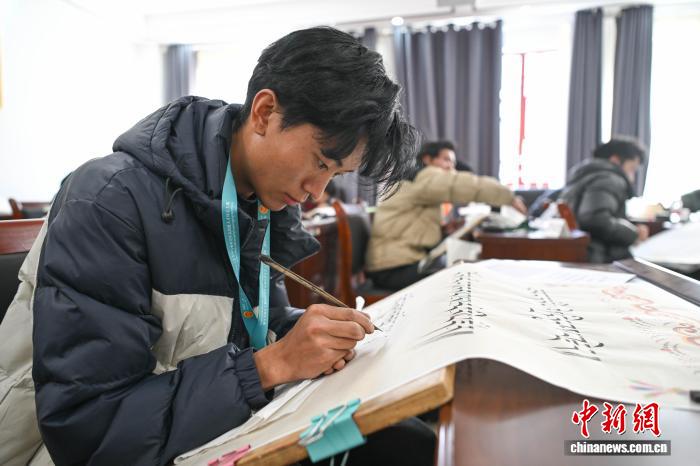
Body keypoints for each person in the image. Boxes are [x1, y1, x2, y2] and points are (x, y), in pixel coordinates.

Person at [0, 27, 436, 466]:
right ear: (264, 113)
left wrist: (315, 335)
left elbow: (253, 325)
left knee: (403, 439)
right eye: (320, 162)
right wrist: (268, 367)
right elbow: (91, 428)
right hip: (86, 453)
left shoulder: (260, 202)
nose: (316, 192)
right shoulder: (110, 200)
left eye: (334, 175)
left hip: (209, 429)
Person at [365, 140, 526, 291]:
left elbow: (407, 228)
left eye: (453, 163)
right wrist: (508, 196)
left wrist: (443, 230)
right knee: (467, 280)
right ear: (427, 159)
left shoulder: (413, 181)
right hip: (394, 269)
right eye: (446, 160)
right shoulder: (425, 177)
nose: (451, 167)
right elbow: (461, 185)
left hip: (392, 265)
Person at [559, 137, 648, 263]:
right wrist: (634, 234)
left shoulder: (582, 175)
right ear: (615, 160)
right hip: (597, 258)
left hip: (575, 253)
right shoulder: (609, 178)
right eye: (632, 169)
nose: (632, 178)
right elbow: (595, 219)